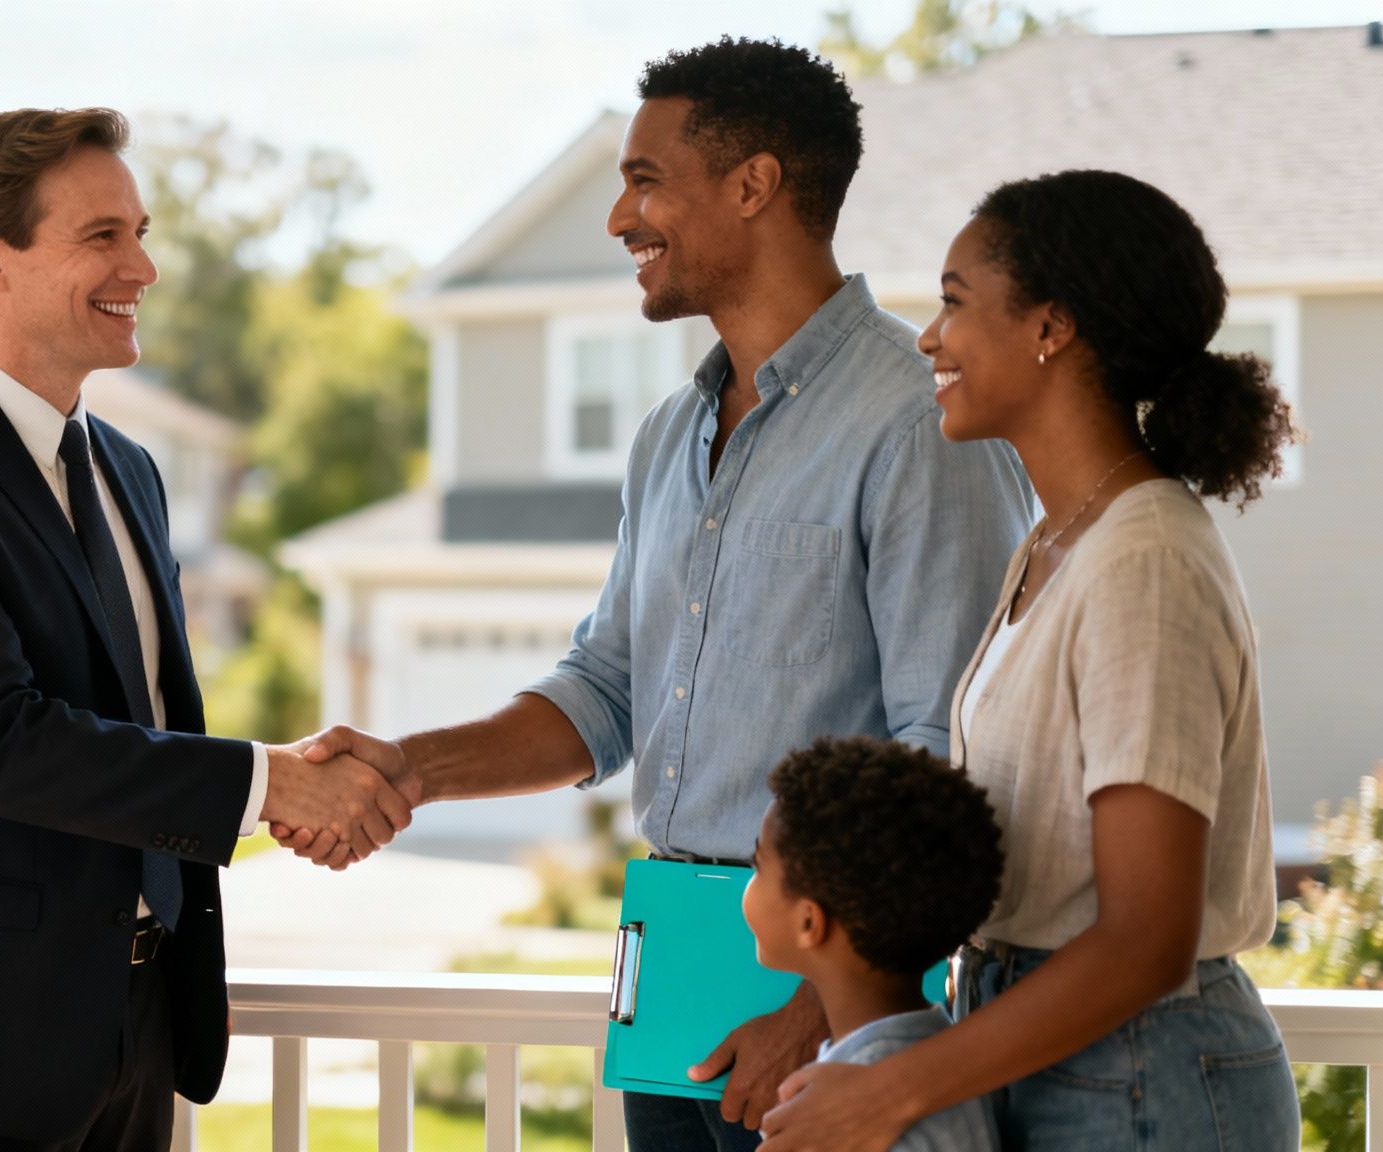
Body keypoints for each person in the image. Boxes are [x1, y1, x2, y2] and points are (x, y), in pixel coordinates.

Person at [283, 37, 1033, 1150]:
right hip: (672, 980)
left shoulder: (916, 423)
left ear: (752, 185)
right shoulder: (668, 437)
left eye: (643, 181)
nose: (617, 218)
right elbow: (606, 692)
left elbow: (953, 758)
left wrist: (818, 1010)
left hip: (829, 1018)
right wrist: (410, 769)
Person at [0, 107, 411, 1151]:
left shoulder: (129, 471)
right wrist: (272, 785)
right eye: (102, 237)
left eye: (141, 230)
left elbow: (145, 716)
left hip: (136, 1032)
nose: (145, 267)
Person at [757, 170, 1303, 1152]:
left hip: (1141, 1072)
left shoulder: (1143, 562)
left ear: (1047, 325)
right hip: (1050, 1046)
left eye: (955, 302)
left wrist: (890, 1090)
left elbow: (1144, 939)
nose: (928, 337)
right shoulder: (1060, 540)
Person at [742, 736, 1003, 1152]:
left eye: (757, 865)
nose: (750, 881)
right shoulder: (939, 1059)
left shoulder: (841, 1111)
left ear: (809, 921)